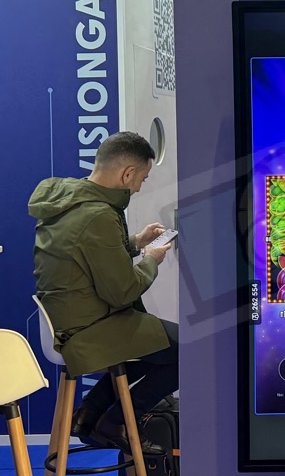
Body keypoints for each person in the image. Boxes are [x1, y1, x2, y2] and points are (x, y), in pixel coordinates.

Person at [29, 131, 176, 453]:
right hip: (90, 329)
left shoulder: (69, 200)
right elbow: (123, 292)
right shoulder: (99, 215)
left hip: (68, 321)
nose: (139, 188)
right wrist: (151, 259)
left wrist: (135, 243)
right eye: (142, 179)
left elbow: (86, 253)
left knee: (158, 347)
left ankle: (89, 414)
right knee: (190, 351)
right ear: (128, 174)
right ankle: (117, 422)